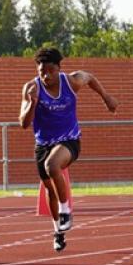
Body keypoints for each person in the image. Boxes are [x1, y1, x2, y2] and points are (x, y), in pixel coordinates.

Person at [19, 46, 118, 252]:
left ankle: (66, 211)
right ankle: (58, 231)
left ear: (59, 68)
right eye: (42, 71)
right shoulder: (31, 88)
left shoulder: (71, 82)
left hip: (69, 140)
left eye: (51, 70)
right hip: (43, 143)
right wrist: (32, 103)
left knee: (52, 165)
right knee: (50, 190)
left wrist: (106, 97)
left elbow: (89, 77)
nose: (46, 75)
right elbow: (23, 123)